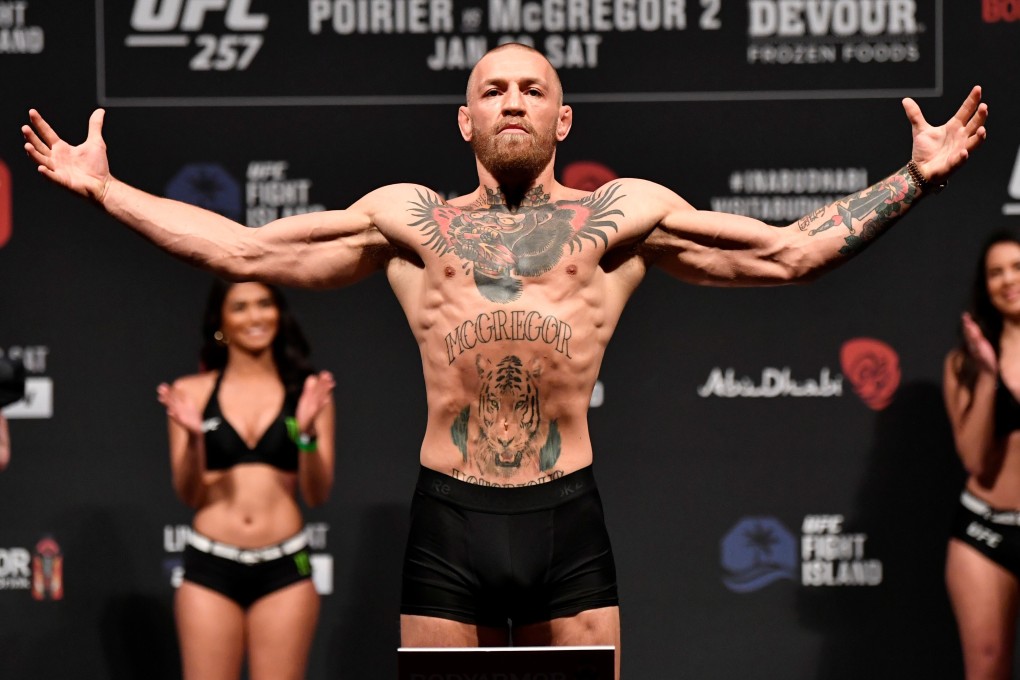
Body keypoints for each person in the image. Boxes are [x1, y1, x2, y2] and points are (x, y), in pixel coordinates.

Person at [23, 43, 987, 678]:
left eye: (534, 89)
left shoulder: (623, 220)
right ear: (464, 121)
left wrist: (916, 179)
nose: (513, 100)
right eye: (493, 89)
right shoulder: (408, 222)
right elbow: (242, 249)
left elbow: (790, 253)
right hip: (450, 520)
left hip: (568, 519)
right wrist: (107, 194)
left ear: (565, 122)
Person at [156, 279, 336, 680]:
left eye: (264, 304)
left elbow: (317, 493)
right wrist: (193, 438)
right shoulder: (191, 392)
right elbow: (188, 494)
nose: (255, 316)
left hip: (285, 567)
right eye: (240, 307)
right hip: (210, 566)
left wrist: (306, 434)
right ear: (220, 321)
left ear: (279, 313)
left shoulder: (308, 392)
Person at [944, 231, 1020, 680]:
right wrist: (990, 376)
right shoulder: (965, 364)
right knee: (987, 667)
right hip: (984, 529)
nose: (1008, 279)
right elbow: (973, 459)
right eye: (996, 272)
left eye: (1016, 267)